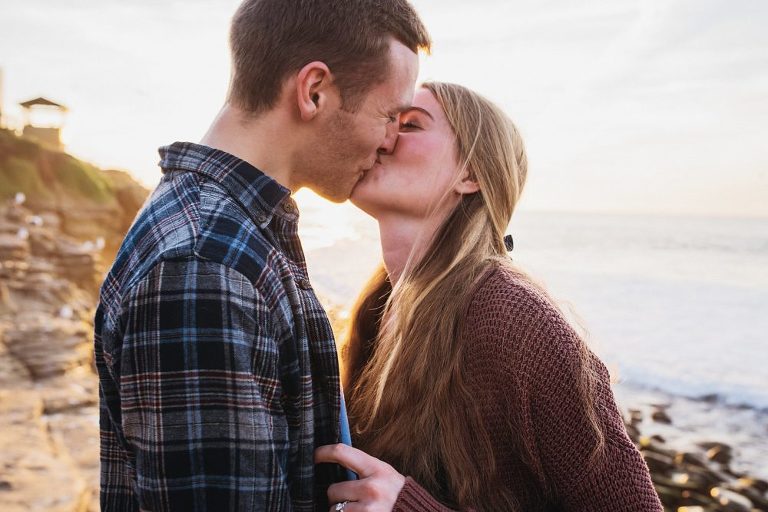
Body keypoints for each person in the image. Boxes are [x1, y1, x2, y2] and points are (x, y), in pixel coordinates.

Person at [93, 1, 430, 510]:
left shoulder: (239, 230)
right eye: (388, 115)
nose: (390, 142)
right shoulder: (205, 266)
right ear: (313, 91)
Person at [315, 82, 663, 511]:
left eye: (409, 125)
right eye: (388, 120)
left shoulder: (515, 321)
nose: (383, 137)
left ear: (471, 175)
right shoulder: (377, 306)